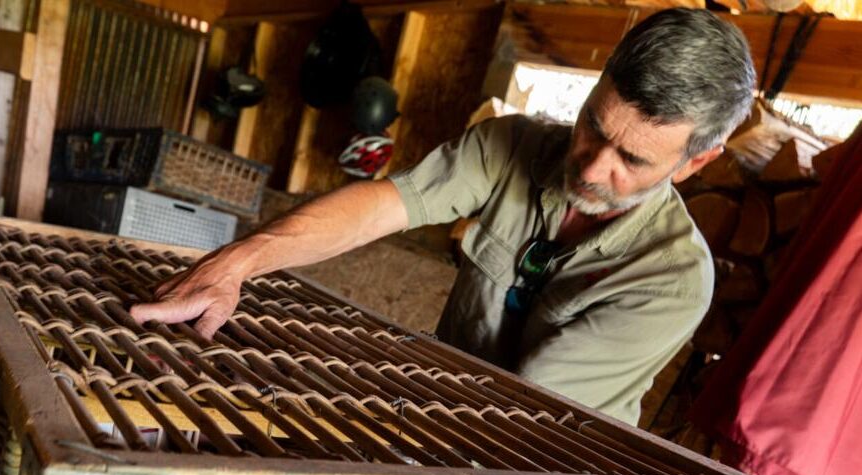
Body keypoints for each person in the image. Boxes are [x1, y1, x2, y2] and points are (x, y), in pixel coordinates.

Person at [129, 8, 756, 425]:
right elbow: (381, 206)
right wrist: (238, 264)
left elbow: (525, 410)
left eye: (632, 160)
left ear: (695, 163)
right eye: (594, 124)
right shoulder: (513, 144)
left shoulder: (672, 280)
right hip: (430, 414)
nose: (592, 167)